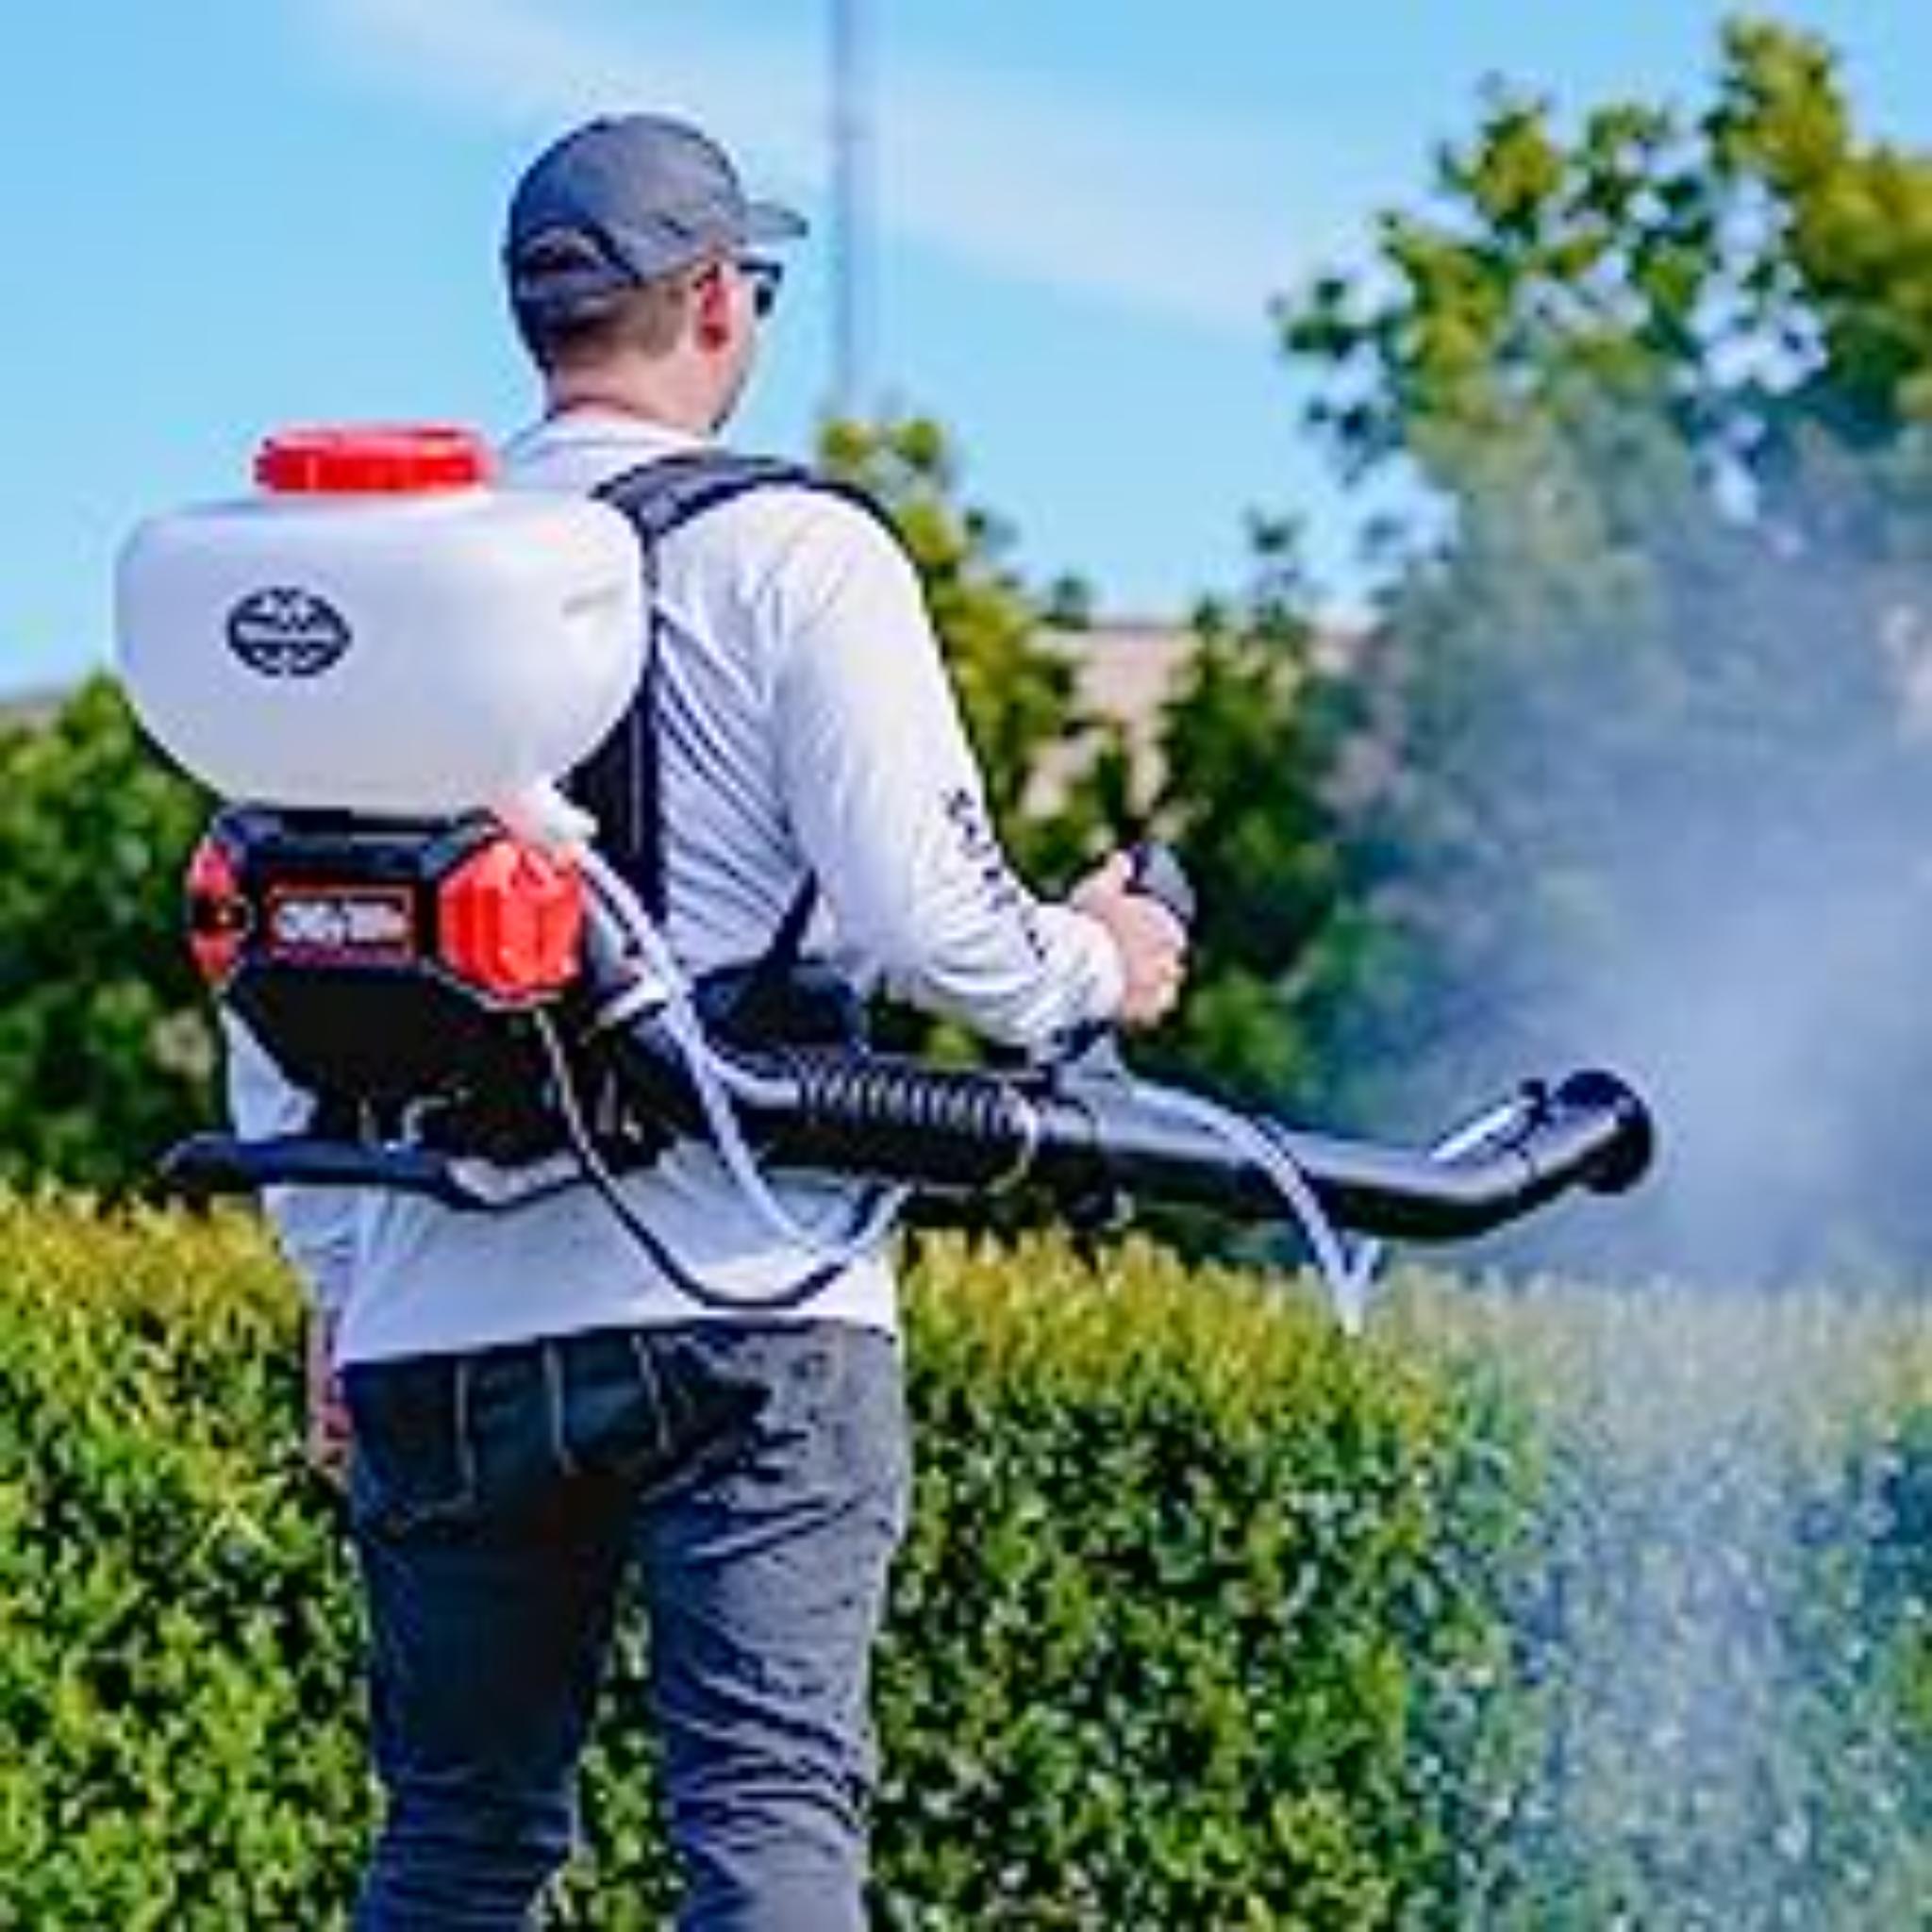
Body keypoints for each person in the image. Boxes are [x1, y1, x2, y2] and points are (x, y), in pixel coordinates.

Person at [237, 111, 1188, 1929]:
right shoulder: (797, 552)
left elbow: (278, 957)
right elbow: (931, 916)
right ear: (717, 302)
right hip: (749, 1302)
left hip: (439, 1312)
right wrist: (1097, 959)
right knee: (766, 1830)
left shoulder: (378, 583)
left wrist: (341, 1286)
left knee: (454, 1842)